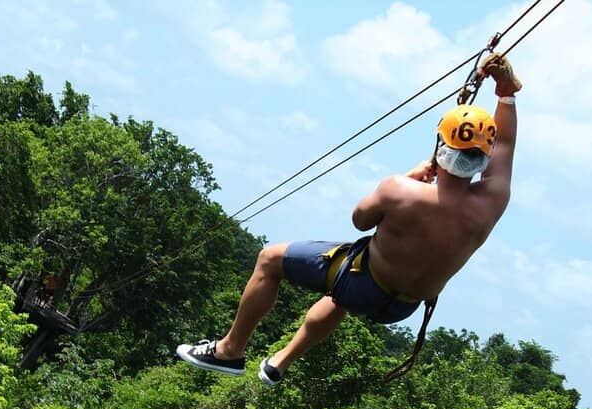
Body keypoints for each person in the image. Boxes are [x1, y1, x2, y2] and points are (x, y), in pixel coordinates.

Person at [177, 53, 522, 385]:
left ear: (441, 146)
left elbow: (360, 219)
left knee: (271, 260)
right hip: (402, 309)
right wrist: (505, 94)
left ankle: (229, 351)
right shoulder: (491, 203)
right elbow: (505, 146)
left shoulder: (399, 190)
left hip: (363, 283)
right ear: (483, 159)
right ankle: (279, 363)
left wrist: (411, 176)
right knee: (341, 292)